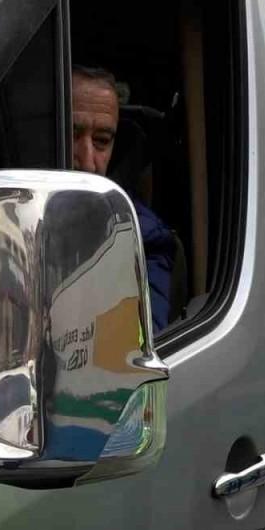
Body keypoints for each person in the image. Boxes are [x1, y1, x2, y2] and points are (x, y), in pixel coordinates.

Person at [71, 65, 175, 332]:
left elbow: (140, 344)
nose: (88, 162)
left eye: (102, 141)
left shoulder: (141, 238)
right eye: (71, 135)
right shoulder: (9, 215)